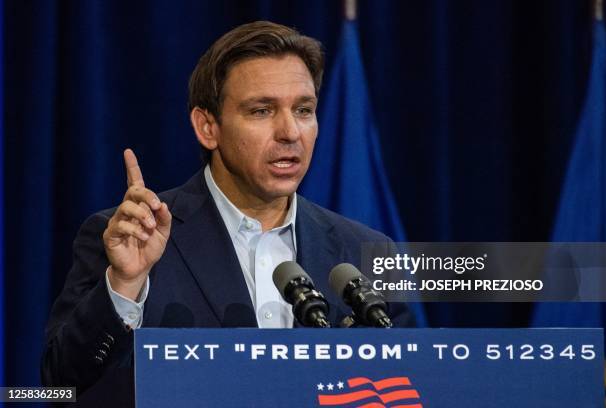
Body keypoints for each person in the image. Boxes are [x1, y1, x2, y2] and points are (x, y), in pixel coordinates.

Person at [42, 20, 419, 406]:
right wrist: (124, 287)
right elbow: (61, 387)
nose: (290, 132)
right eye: (262, 110)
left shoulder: (365, 250)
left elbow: (409, 387)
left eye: (304, 110)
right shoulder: (133, 239)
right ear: (208, 127)